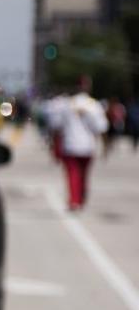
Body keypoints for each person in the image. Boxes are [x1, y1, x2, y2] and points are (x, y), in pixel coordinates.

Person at [48, 76, 108, 212]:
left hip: (71, 145)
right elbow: (101, 128)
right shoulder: (94, 105)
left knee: (73, 174)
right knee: (84, 175)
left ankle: (75, 200)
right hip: (87, 146)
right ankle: (80, 199)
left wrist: (53, 145)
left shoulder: (67, 104)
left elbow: (57, 126)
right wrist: (105, 146)